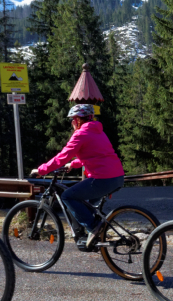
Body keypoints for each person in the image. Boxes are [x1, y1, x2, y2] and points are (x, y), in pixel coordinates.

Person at [29, 104, 124, 251]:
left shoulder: (80, 134)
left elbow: (61, 157)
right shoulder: (98, 131)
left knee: (68, 196)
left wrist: (41, 170)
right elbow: (95, 154)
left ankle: (93, 228)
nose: (72, 123)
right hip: (116, 177)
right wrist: (73, 164)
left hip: (102, 179)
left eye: (73, 119)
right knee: (85, 205)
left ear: (78, 120)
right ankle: (91, 239)